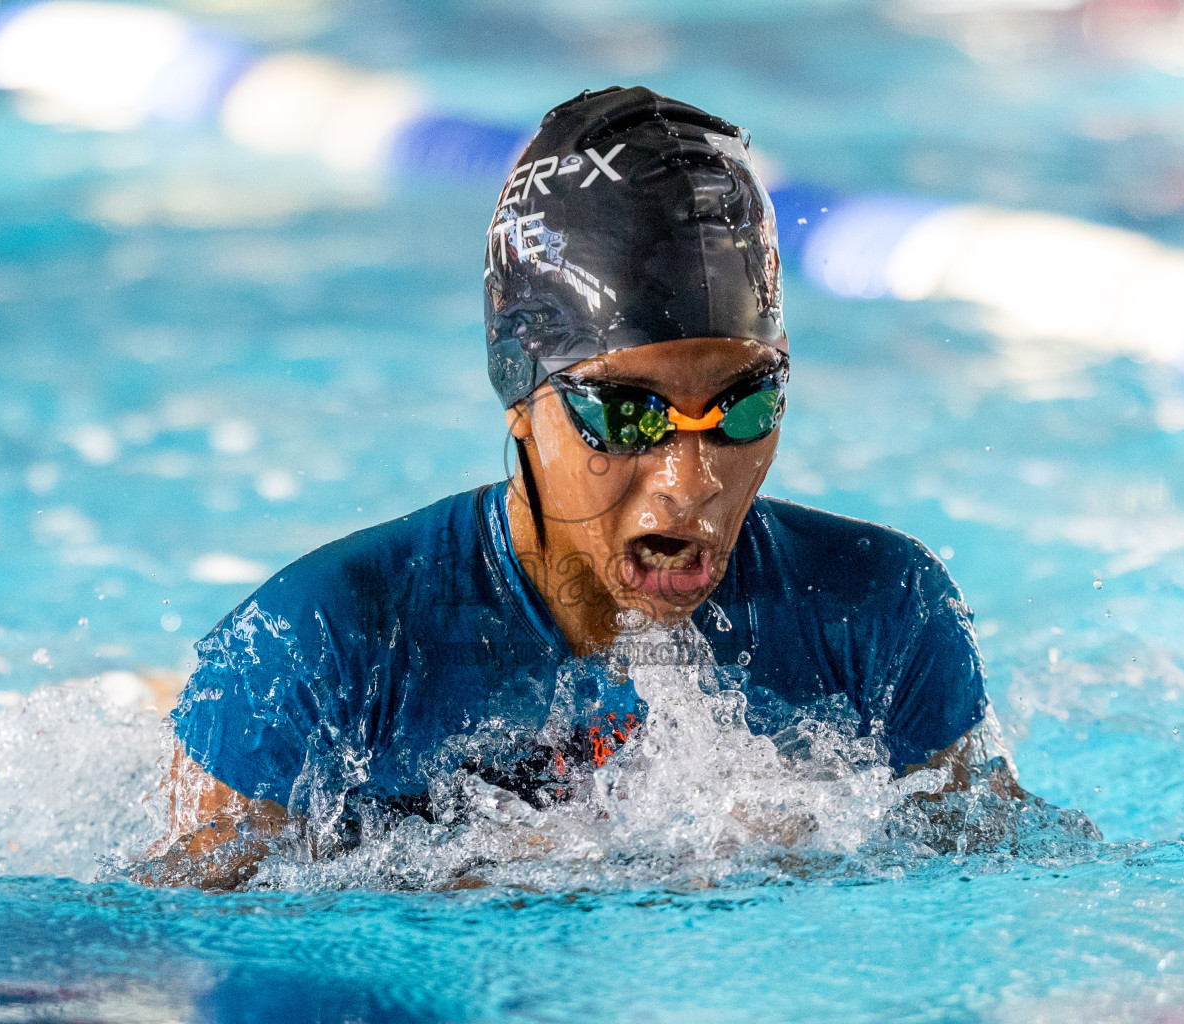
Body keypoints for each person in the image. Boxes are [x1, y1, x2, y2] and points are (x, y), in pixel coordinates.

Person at [141, 87, 1014, 890]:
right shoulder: (313, 650)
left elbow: (999, 889)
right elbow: (175, 954)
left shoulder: (881, 614)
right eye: (630, 413)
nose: (691, 484)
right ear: (520, 391)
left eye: (745, 404)